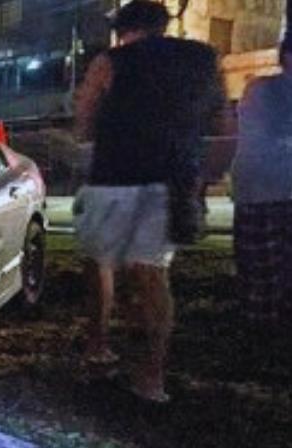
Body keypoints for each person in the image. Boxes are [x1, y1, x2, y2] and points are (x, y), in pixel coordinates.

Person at [73, 0, 225, 402]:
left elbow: (85, 117)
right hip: (171, 179)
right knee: (154, 273)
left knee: (99, 263)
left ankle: (98, 349)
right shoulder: (203, 59)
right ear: (163, 25)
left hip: (114, 175)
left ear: (124, 30)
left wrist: (86, 137)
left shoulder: (111, 60)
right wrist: (203, 175)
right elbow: (223, 122)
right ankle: (152, 376)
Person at [231, 35, 292, 328]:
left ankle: (262, 323)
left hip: (259, 190)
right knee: (265, 266)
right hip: (265, 188)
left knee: (262, 268)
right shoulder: (263, 90)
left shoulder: (259, 90)